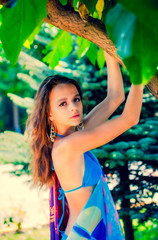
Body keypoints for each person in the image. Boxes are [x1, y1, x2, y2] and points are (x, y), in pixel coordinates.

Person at [26, 51, 143, 240]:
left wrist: (108, 50)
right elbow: (130, 118)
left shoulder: (73, 135)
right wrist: (141, 75)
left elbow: (115, 98)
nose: (73, 107)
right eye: (62, 104)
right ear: (49, 114)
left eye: (76, 99)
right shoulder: (69, 145)